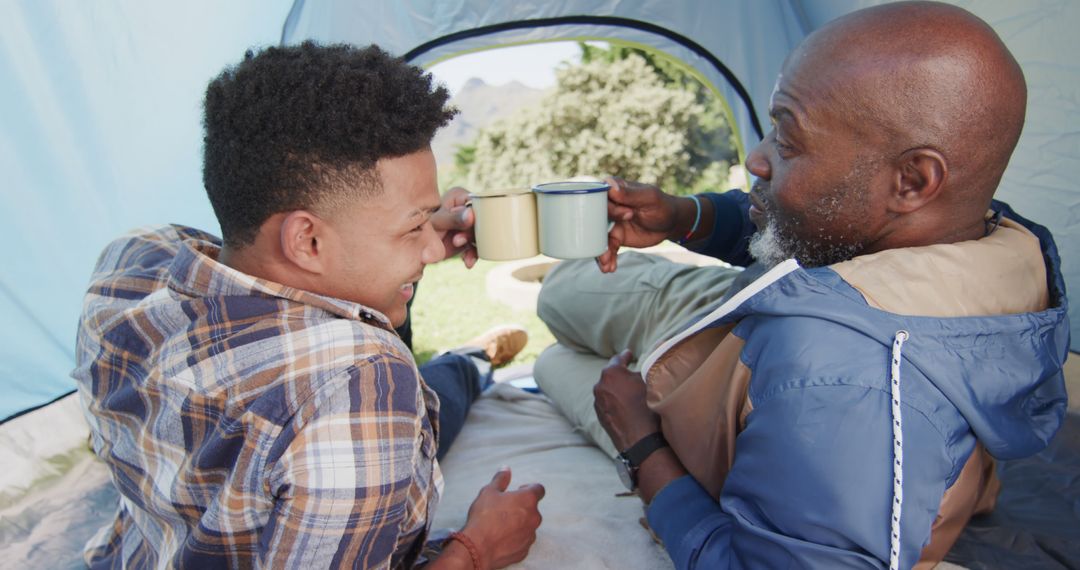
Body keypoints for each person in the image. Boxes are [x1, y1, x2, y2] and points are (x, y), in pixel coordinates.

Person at [534, 2, 1070, 568]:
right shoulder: (993, 238)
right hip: (751, 305)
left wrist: (641, 445)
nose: (756, 158)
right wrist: (684, 216)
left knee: (554, 361)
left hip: (730, 368)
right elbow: (830, 226)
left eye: (788, 141)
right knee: (563, 288)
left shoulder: (839, 383)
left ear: (912, 180)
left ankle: (516, 356)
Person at [71, 42, 544, 569]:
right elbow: (345, 391)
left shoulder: (132, 261)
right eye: (414, 229)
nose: (434, 250)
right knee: (440, 393)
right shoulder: (360, 383)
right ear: (307, 242)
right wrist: (477, 548)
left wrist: (402, 226)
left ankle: (471, 359)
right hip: (358, 425)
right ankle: (473, 360)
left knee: (441, 390)